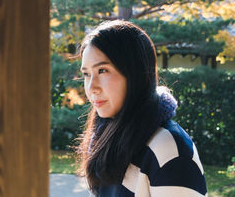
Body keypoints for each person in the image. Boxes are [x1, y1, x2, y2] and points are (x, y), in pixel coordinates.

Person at [77, 20, 207, 196]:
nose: (92, 87)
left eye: (102, 71)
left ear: (134, 74)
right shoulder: (109, 138)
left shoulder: (168, 147)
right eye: (86, 74)